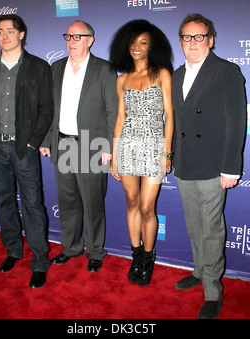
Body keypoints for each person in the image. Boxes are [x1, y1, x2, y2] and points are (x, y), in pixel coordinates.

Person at [0, 14, 53, 288]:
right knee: (4, 201)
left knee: (31, 204)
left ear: (22, 34)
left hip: (22, 147)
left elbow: (46, 110)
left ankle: (40, 261)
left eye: (10, 31)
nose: (5, 36)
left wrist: (31, 142)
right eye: (0, 31)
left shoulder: (38, 67)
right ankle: (13, 251)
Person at [172, 14, 247, 318]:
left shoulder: (227, 72)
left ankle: (213, 292)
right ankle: (200, 271)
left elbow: (236, 122)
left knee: (211, 231)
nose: (192, 43)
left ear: (210, 39)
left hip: (214, 167)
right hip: (186, 164)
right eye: (187, 37)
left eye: (199, 37)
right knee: (194, 227)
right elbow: (176, 123)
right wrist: (174, 158)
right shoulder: (176, 75)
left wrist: (231, 168)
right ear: (181, 41)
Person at [40, 20, 118, 272]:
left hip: (92, 145)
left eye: (77, 37)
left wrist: (108, 146)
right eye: (68, 37)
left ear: (90, 40)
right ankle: (71, 247)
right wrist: (46, 139)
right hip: (63, 143)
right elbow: (50, 109)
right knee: (68, 201)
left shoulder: (104, 69)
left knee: (93, 202)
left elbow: (112, 111)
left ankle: (95, 251)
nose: (71, 42)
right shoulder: (56, 67)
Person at [109, 20, 174, 286]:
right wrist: (114, 154)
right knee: (132, 202)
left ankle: (148, 258)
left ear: (152, 47)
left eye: (143, 42)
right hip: (127, 146)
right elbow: (120, 119)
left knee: (148, 207)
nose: (137, 47)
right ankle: (136, 256)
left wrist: (166, 153)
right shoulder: (122, 79)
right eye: (133, 42)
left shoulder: (162, 74)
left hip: (153, 145)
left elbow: (169, 116)